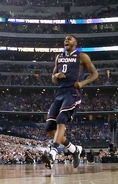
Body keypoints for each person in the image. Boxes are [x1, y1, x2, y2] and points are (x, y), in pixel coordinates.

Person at [41, 35, 99, 169]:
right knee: (49, 127)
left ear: (75, 43)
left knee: (61, 119)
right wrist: (56, 76)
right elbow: (53, 79)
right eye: (65, 39)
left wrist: (83, 82)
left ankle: (53, 153)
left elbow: (95, 74)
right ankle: (74, 149)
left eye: (69, 39)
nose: (66, 40)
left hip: (73, 92)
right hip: (60, 93)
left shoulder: (82, 56)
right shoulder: (58, 57)